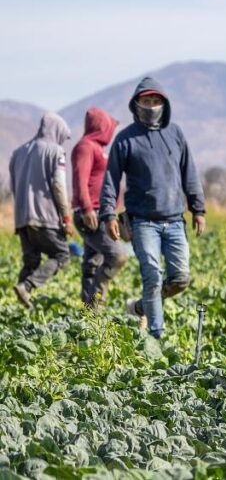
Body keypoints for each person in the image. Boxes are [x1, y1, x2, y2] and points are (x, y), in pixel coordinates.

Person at [100, 77, 206, 338]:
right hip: (142, 221)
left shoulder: (175, 133)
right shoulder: (126, 140)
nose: (151, 106)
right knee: (152, 275)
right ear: (136, 105)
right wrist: (108, 214)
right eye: (146, 101)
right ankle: (157, 336)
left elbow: (189, 172)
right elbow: (111, 179)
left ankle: (139, 307)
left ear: (164, 104)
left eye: (155, 101)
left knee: (180, 278)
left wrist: (198, 209)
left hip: (174, 219)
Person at [9, 112, 73, 307]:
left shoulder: (18, 153)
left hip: (22, 217)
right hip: (45, 216)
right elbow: (58, 186)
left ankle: (20, 303)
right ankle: (27, 286)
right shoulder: (56, 152)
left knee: (31, 262)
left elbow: (14, 186)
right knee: (61, 256)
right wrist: (66, 218)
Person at [71, 107, 128, 306]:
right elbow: (80, 178)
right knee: (117, 255)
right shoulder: (85, 146)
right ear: (101, 126)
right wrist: (87, 208)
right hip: (92, 214)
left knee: (91, 262)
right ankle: (95, 304)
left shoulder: (97, 148)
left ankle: (87, 316)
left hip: (99, 212)